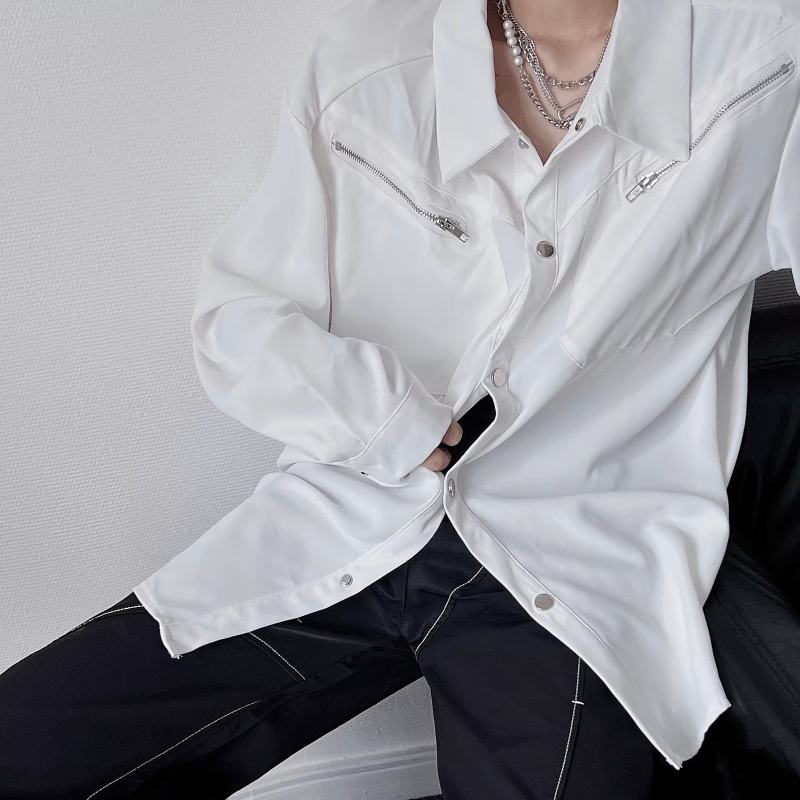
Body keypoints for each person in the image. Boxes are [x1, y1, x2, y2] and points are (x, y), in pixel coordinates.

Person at [2, 0, 799, 797]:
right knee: (27, 748)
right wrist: (382, 418)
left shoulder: (764, 61)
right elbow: (241, 315)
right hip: (349, 516)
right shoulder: (372, 55)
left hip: (573, 560)